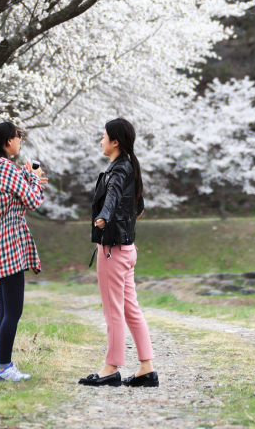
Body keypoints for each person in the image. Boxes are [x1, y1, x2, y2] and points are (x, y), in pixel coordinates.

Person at [79, 117, 158, 388]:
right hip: (128, 250)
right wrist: (119, 218)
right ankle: (146, 368)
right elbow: (139, 208)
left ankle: (110, 369)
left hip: (112, 252)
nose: (100, 141)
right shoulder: (129, 166)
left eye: (103, 136)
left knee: (114, 311)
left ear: (115, 141)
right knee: (131, 309)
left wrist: (105, 216)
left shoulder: (118, 170)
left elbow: (112, 196)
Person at [0, 121, 47, 382]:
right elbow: (32, 200)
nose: (20, 142)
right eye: (17, 137)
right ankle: (4, 367)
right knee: (13, 312)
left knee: (5, 312)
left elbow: (16, 191)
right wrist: (37, 181)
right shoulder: (5, 168)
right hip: (10, 247)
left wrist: (30, 177)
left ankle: (1, 367)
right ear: (8, 141)